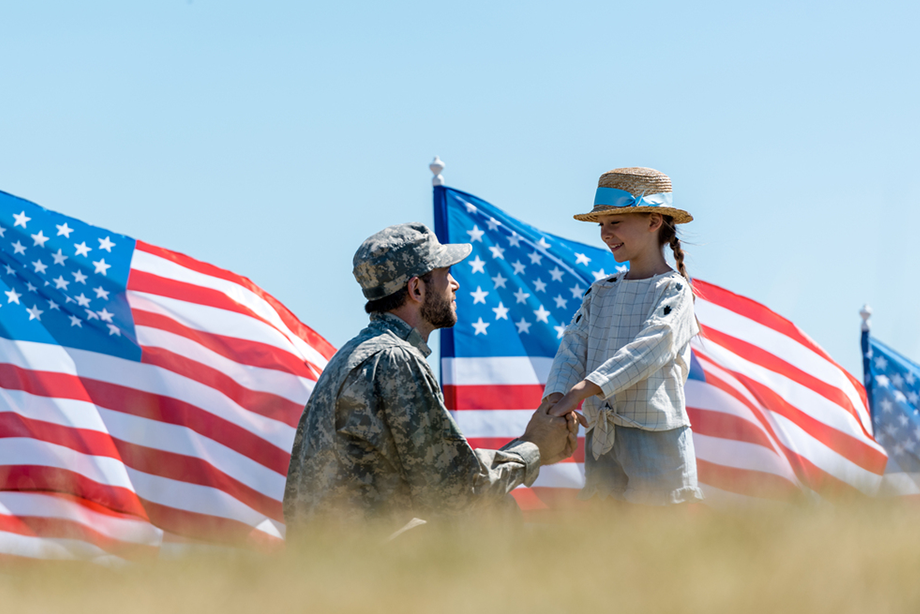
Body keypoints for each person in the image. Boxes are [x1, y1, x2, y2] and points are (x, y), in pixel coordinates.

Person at [283, 222, 577, 533]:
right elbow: (458, 492)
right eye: (445, 274)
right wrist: (534, 448)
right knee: (494, 513)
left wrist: (528, 447)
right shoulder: (395, 358)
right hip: (363, 564)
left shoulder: (354, 353)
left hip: (327, 560)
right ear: (417, 289)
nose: (455, 285)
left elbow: (444, 478)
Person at [543, 167, 704, 506]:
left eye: (615, 222)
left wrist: (584, 390)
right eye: (601, 225)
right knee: (607, 541)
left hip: (657, 438)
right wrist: (555, 396)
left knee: (660, 535)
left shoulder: (674, 290)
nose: (605, 233)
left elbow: (651, 347)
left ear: (653, 221)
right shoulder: (600, 292)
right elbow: (572, 348)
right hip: (602, 440)